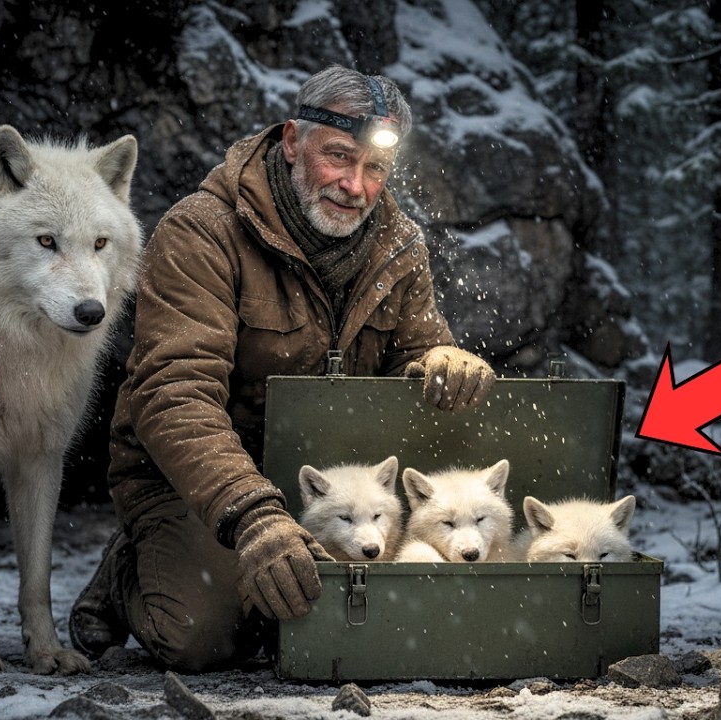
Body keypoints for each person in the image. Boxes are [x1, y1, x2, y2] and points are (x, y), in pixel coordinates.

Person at [68, 64, 496, 672]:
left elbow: (415, 354)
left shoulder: (399, 245)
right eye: (339, 157)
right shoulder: (202, 231)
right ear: (293, 141)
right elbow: (174, 394)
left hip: (336, 488)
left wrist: (439, 361)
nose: (354, 185)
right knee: (205, 641)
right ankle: (128, 569)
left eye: (375, 169)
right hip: (197, 479)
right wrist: (254, 514)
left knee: (352, 615)